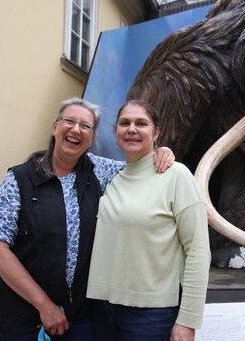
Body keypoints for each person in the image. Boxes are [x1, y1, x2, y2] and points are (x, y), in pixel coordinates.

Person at [0, 97, 175, 340]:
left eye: (85, 126)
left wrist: (162, 152)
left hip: (79, 317)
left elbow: (139, 167)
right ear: (54, 127)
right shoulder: (19, 180)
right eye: (69, 121)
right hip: (23, 318)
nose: (76, 130)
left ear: (92, 137)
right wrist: (45, 306)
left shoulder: (101, 171)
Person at [87, 100, 211, 341]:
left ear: (156, 133)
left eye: (141, 123)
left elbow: (197, 251)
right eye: (125, 123)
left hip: (150, 316)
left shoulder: (176, 176)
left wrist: (188, 320)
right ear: (116, 133)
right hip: (101, 309)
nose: (131, 129)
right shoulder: (109, 177)